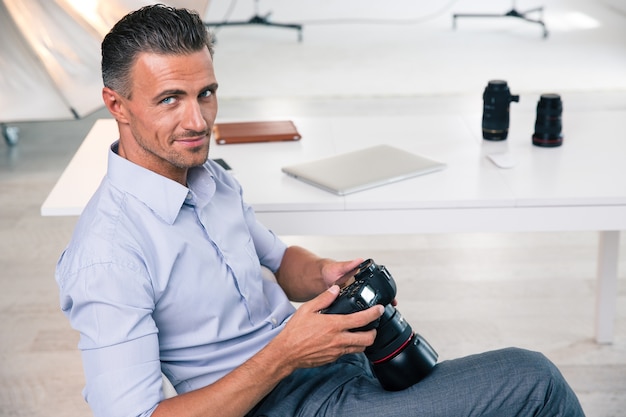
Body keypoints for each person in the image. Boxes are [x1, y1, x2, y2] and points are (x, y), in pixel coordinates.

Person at [55, 5, 586, 417]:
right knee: (533, 380)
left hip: (325, 366)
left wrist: (326, 274)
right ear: (117, 104)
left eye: (207, 93)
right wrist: (286, 353)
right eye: (171, 99)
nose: (199, 121)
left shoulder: (210, 178)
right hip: (279, 402)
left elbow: (280, 260)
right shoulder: (107, 255)